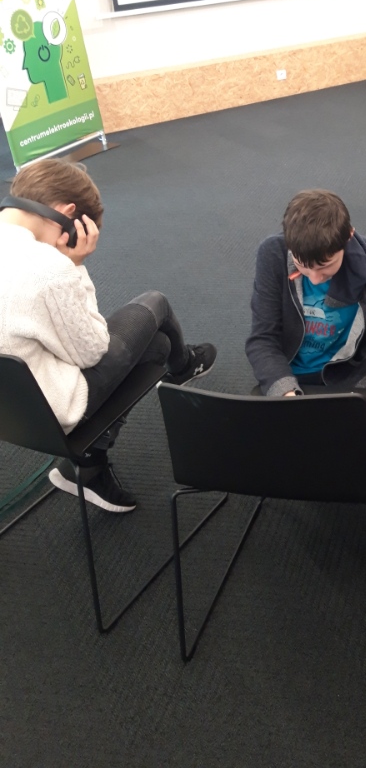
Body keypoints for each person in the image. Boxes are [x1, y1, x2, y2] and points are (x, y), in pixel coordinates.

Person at [0, 159, 217, 513]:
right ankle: (183, 366)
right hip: (51, 414)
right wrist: (74, 265)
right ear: (68, 216)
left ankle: (92, 464)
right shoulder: (46, 267)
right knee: (155, 304)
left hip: (10, 412)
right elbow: (92, 350)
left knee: (156, 346)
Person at [245, 189, 366, 451]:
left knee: (364, 449)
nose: (314, 278)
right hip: (288, 373)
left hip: (348, 375)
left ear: (347, 238)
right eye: (302, 265)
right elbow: (262, 340)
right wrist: (286, 393)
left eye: (325, 266)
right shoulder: (272, 254)